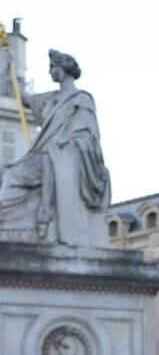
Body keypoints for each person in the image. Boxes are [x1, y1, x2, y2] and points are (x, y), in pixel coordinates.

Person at [0, 49, 111, 247]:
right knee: (7, 172)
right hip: (45, 156)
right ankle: (13, 227)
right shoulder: (50, 98)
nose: (50, 72)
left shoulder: (81, 100)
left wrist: (66, 148)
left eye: (53, 68)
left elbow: (88, 138)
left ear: (63, 69)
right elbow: (24, 98)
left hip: (61, 158)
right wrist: (10, 70)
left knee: (11, 177)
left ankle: (20, 226)